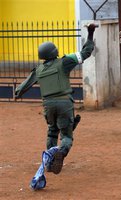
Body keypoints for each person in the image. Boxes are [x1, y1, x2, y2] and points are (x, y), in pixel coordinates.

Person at [15, 24, 97, 174]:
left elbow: (22, 88)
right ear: (54, 52)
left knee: (52, 131)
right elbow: (86, 52)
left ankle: (49, 161)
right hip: (64, 102)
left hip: (48, 105)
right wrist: (90, 33)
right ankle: (61, 152)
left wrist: (17, 93)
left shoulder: (38, 69)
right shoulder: (64, 62)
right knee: (66, 135)